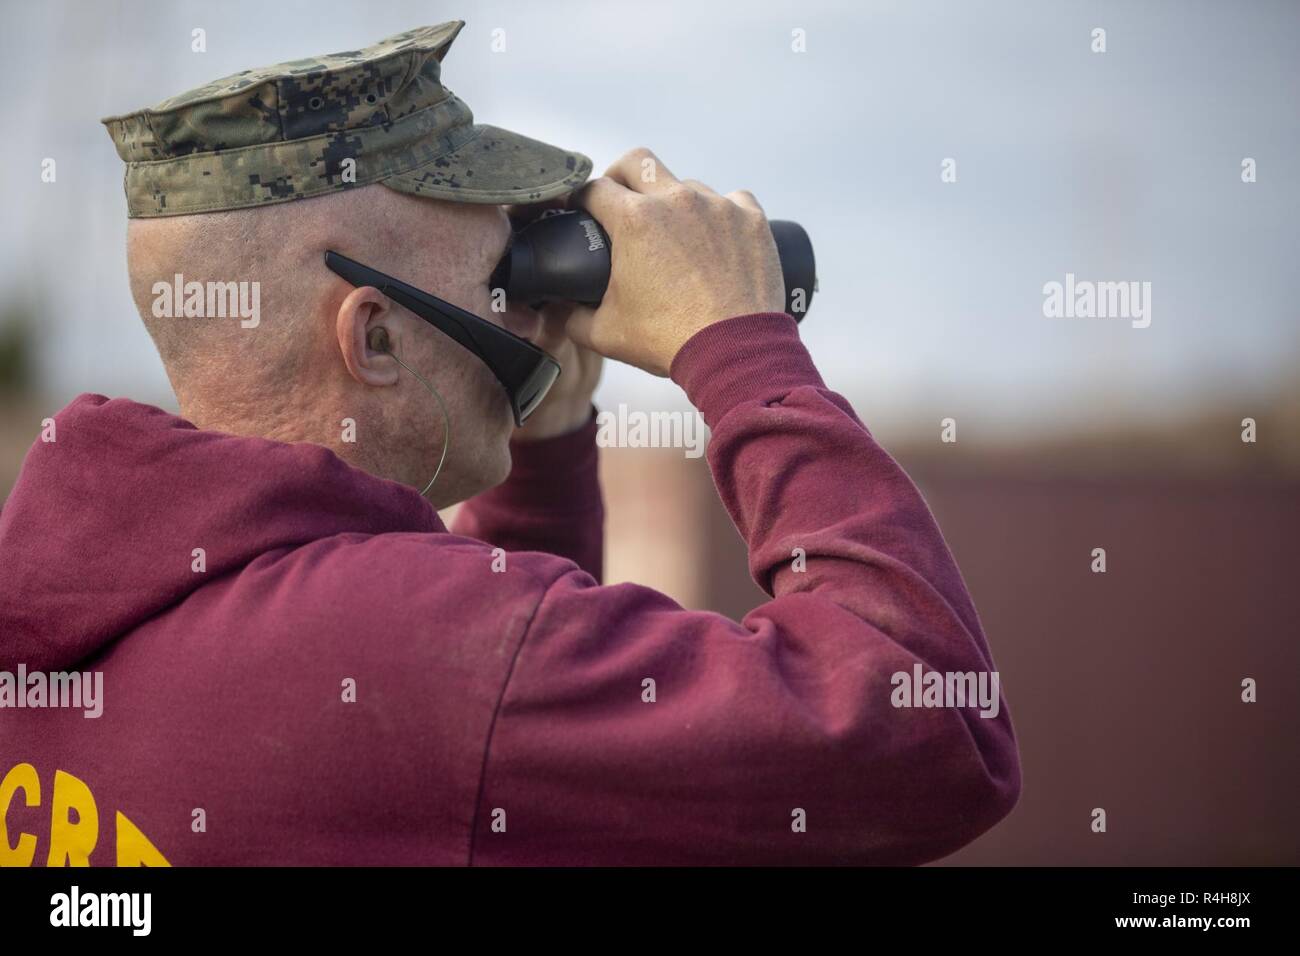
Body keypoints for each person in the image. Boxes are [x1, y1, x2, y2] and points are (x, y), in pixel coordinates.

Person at [0, 21, 1019, 865]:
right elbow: (931, 727)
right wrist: (740, 347)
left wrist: (546, 444)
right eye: (504, 282)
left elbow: (495, 789)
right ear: (376, 334)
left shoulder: (71, 616)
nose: (534, 314)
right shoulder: (402, 647)